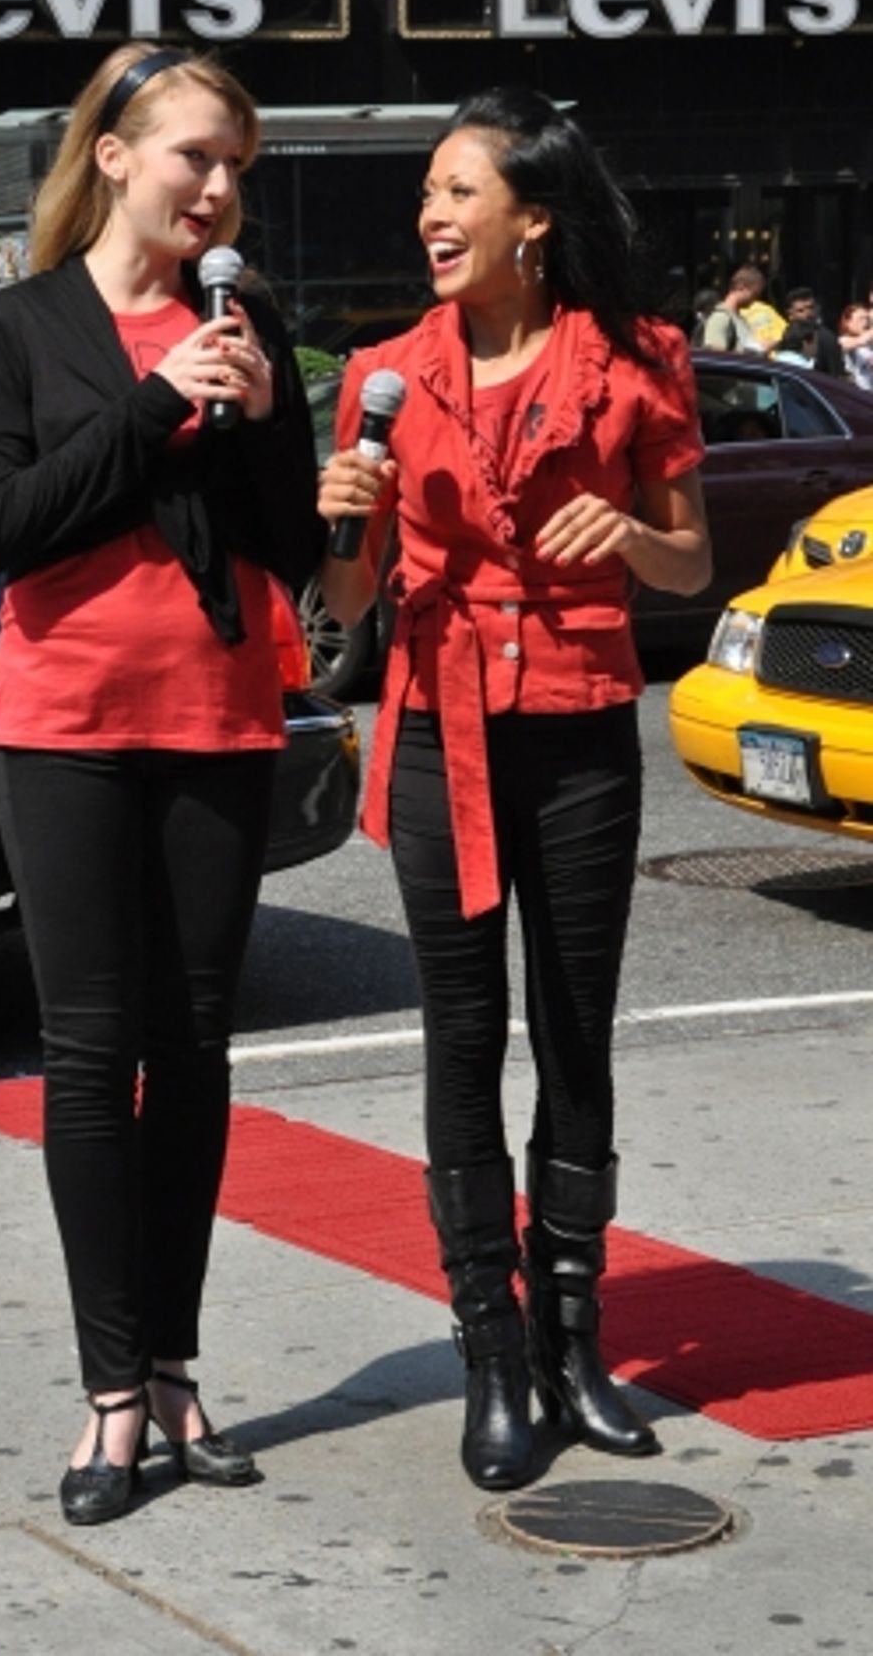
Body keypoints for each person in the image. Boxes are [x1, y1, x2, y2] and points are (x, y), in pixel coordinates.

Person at [318, 89, 711, 1493]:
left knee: (578, 1030)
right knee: (462, 1034)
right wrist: (345, 522)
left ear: (532, 215)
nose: (432, 212)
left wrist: (635, 540)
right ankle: (491, 1347)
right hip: (438, 732)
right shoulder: (385, 369)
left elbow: (691, 562)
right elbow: (348, 604)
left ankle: (574, 1334)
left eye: (458, 190)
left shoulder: (637, 360)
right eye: (427, 191)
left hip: (582, 723)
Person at [0, 43, 324, 1526]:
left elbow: (290, 543)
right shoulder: (18, 324)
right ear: (112, 155)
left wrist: (244, 421)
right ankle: (112, 1390)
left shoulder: (249, 319)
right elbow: (7, 527)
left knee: (199, 1048)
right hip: (61, 721)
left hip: (218, 717)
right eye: (195, 157)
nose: (219, 188)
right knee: (94, 1052)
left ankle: (177, 1363)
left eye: (236, 164)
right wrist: (159, 404)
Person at [701, 267, 768, 353]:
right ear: (741, 287)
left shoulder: (741, 320)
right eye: (755, 294)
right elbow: (716, 356)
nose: (755, 299)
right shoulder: (720, 318)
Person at [781, 288, 843, 376]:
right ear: (790, 315)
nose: (808, 314)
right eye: (800, 311)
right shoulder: (787, 334)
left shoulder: (826, 338)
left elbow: (836, 374)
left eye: (810, 308)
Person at [838, 302, 873, 391]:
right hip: (858, 395)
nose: (866, 322)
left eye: (867, 318)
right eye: (861, 319)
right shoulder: (844, 340)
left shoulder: (869, 344)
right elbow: (861, 341)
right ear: (848, 322)